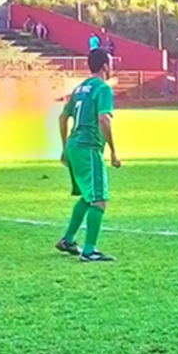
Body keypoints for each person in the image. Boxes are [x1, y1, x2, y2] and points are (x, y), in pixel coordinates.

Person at [55, 50, 122, 262]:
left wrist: (64, 147)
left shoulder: (80, 88)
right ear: (104, 65)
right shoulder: (103, 89)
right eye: (110, 63)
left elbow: (63, 116)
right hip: (88, 147)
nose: (112, 67)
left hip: (74, 146)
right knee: (99, 199)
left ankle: (67, 240)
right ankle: (89, 250)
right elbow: (104, 120)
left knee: (87, 196)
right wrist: (113, 150)